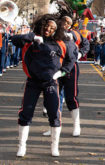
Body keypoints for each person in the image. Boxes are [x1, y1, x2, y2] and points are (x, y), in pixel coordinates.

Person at [12, 14, 77, 157]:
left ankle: (54, 147)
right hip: (33, 82)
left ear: (56, 29)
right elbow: (14, 39)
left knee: (54, 113)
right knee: (25, 113)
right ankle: (22, 146)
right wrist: (31, 38)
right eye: (46, 26)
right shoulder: (32, 39)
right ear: (41, 25)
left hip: (51, 82)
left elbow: (72, 57)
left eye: (52, 28)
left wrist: (62, 73)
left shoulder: (61, 42)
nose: (48, 29)